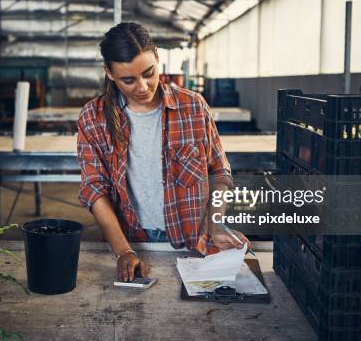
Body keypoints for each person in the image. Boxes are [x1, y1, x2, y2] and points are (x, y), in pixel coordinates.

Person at [77, 22, 250, 282]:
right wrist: (123, 251)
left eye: (149, 73)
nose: (143, 86)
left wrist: (215, 224)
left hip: (193, 241)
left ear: (157, 58)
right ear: (109, 74)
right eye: (128, 80)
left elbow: (219, 173)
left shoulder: (192, 107)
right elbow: (94, 189)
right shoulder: (93, 118)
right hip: (133, 243)